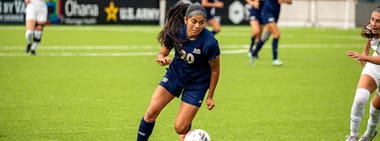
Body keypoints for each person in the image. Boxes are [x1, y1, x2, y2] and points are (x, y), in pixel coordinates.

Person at [136, 2, 220, 141]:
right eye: (194, 21)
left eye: (201, 22)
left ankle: (188, 133)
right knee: (151, 112)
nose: (197, 26)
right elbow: (162, 53)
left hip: (197, 84)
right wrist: (162, 58)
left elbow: (215, 70)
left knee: (180, 128)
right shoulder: (176, 30)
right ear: (186, 20)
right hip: (175, 75)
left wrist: (210, 96)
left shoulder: (209, 42)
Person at [345, 6, 380, 141]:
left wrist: (365, 57)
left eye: (378, 21)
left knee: (375, 108)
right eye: (372, 19)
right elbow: (370, 39)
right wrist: (365, 52)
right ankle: (353, 136)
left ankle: (369, 134)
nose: (373, 23)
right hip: (374, 67)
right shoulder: (372, 29)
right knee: (360, 99)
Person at [249, 0, 291, 66]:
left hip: (275, 13)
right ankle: (275, 59)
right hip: (268, 12)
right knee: (277, 34)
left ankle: (253, 53)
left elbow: (290, 2)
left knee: (265, 37)